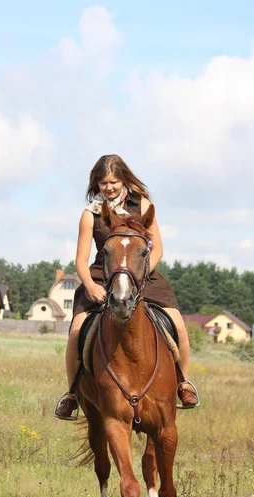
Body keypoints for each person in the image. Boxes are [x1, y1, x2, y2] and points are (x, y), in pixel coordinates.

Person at [54, 154, 199, 420]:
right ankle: (72, 393)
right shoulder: (91, 215)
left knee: (177, 323)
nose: (108, 187)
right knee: (76, 330)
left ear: (124, 179)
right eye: (102, 182)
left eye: (113, 181)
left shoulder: (142, 205)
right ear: (95, 184)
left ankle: (183, 383)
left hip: (142, 272)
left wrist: (140, 277)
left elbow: (158, 249)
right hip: (102, 273)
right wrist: (89, 286)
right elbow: (80, 259)